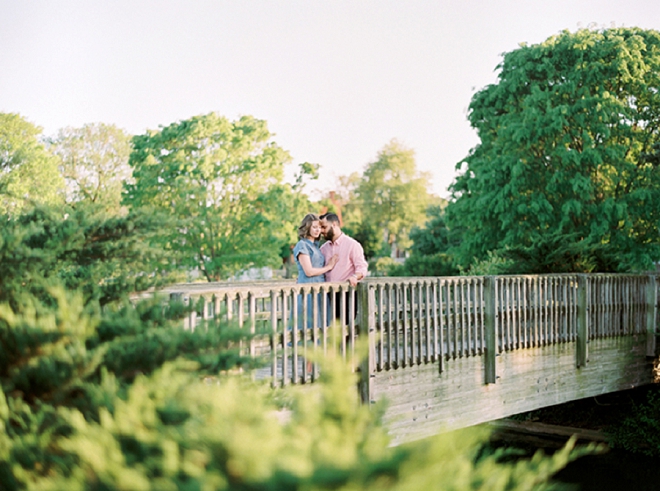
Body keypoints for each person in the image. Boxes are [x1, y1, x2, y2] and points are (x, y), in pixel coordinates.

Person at [319, 213, 368, 323]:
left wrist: (355, 276)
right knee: (328, 331)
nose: (321, 231)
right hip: (327, 296)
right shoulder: (323, 248)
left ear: (334, 224)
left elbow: (362, 268)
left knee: (345, 331)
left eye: (324, 227)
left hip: (346, 295)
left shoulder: (352, 245)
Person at [292, 213, 337, 329]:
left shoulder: (316, 246)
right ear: (307, 228)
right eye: (314, 227)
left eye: (319, 227)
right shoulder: (302, 245)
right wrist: (329, 267)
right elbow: (309, 271)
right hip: (308, 291)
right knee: (307, 325)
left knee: (321, 325)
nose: (318, 230)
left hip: (319, 291)